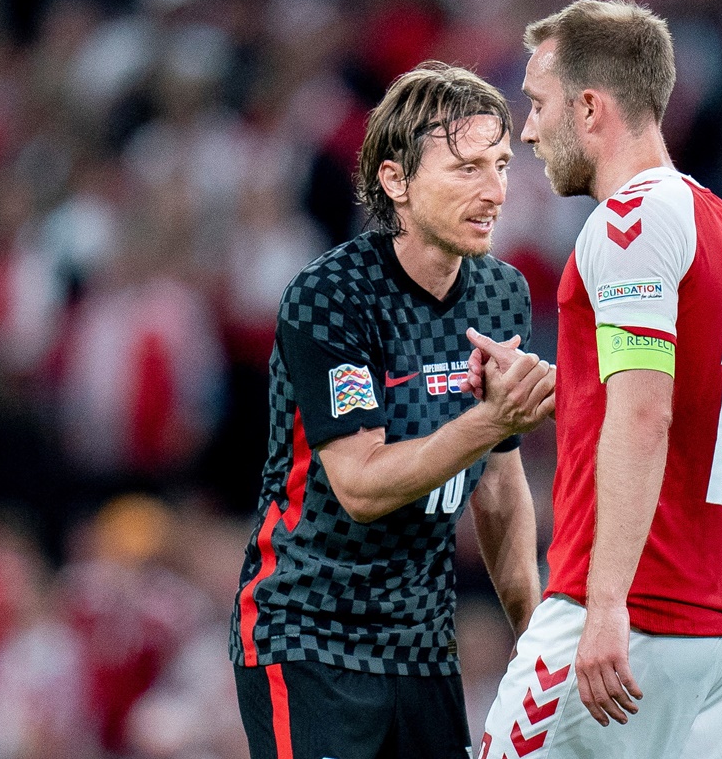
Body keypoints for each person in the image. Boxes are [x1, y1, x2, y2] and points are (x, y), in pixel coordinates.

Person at [230, 61, 555, 759]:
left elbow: (498, 484)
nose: (494, 192)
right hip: (308, 633)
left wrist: (535, 632)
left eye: (500, 165)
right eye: (465, 168)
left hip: (422, 645)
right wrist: (494, 420)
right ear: (395, 180)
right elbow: (362, 484)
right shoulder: (331, 298)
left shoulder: (502, 295)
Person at [473, 0, 722, 759]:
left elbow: (644, 417)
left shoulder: (629, 222)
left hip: (630, 614)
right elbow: (674, 396)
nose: (528, 131)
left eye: (537, 106)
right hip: (719, 630)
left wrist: (606, 606)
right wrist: (548, 388)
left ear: (591, 107)